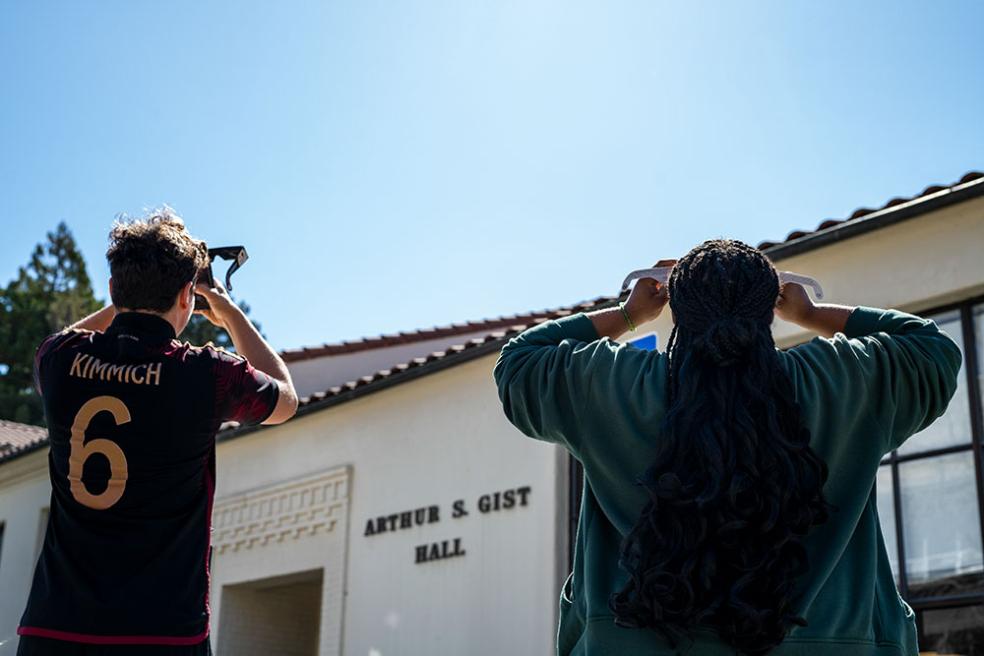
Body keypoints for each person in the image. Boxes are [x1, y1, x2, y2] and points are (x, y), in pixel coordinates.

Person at [493, 239, 961, 656]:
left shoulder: (613, 385)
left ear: (679, 310)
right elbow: (928, 346)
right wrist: (811, 313)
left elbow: (520, 360)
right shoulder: (841, 380)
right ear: (767, 309)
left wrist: (631, 312)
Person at [17, 210, 299, 656]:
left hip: (56, 628)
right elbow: (285, 401)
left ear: (113, 289)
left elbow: (56, 341)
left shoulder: (60, 361)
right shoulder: (207, 373)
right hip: (163, 631)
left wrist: (134, 294)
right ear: (188, 296)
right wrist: (225, 310)